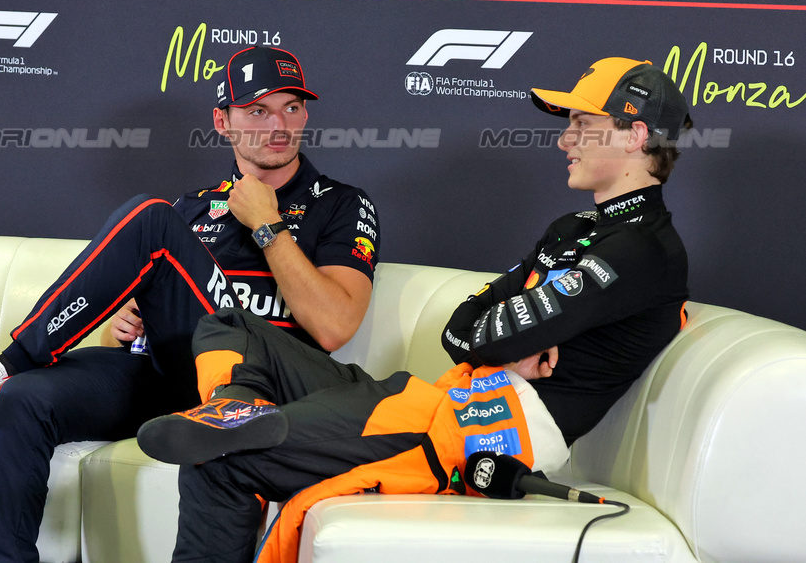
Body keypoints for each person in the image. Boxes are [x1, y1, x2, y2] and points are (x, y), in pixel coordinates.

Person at [137, 57, 692, 563]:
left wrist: (507, 339)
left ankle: (236, 427)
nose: (564, 140)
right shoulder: (572, 229)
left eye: (580, 124)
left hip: (482, 431)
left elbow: (487, 337)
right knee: (233, 325)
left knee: (221, 463)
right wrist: (515, 337)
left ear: (634, 134)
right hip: (442, 395)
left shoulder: (644, 250)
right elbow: (461, 330)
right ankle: (234, 409)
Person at [0, 45, 379, 563]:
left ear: (307, 114)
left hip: (255, 383)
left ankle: (1, 366)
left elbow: (336, 326)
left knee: (152, 219)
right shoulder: (194, 207)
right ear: (223, 122)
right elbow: (134, 323)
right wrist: (130, 319)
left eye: (292, 107)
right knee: (24, 399)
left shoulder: (340, 202)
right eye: (258, 111)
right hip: (167, 373)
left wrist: (268, 227)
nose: (279, 125)